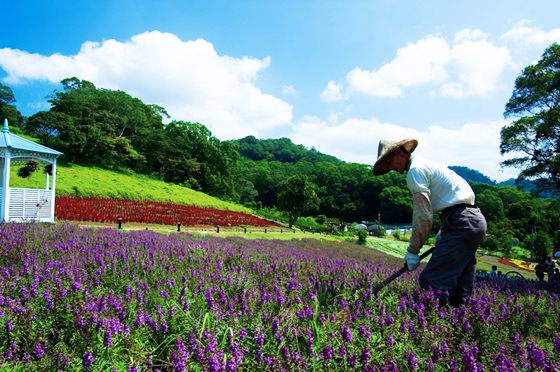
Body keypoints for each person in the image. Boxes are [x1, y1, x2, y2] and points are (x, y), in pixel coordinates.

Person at [373, 138, 487, 307]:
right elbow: (456, 201)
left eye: (390, 162)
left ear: (399, 152)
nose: (393, 169)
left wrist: (413, 250)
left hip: (461, 222)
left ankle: (431, 326)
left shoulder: (415, 171)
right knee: (460, 288)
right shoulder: (426, 165)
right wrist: (445, 229)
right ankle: (458, 324)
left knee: (433, 281)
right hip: (472, 220)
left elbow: (423, 215)